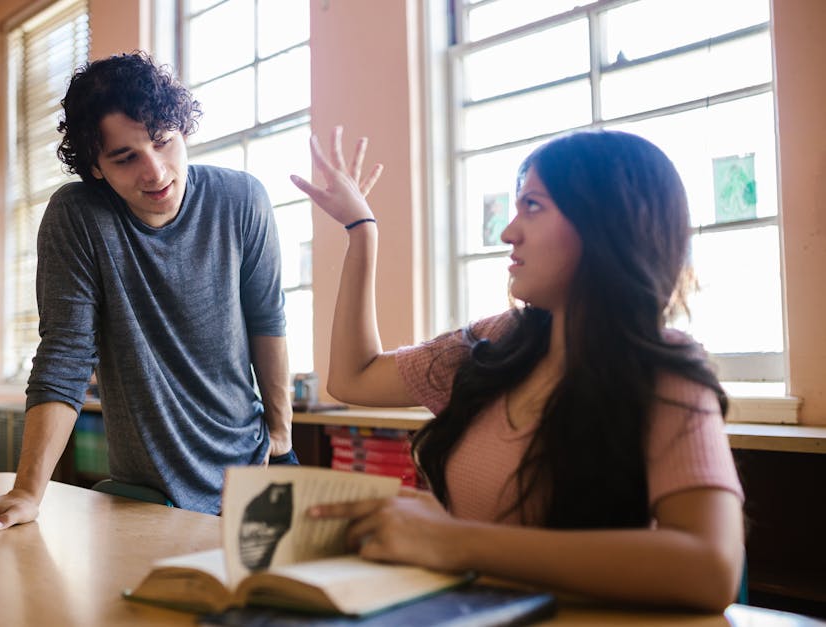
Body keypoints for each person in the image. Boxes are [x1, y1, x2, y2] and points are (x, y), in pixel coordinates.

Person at [290, 127, 744, 611]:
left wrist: (454, 541)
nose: (509, 232)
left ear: (604, 222)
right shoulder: (499, 341)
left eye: (532, 206)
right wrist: (362, 231)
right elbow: (353, 377)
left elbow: (711, 568)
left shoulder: (663, 369)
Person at [0, 52, 294, 530]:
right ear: (95, 167)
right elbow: (66, 353)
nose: (155, 172)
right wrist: (28, 491)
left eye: (163, 143)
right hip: (151, 494)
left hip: (256, 469)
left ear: (182, 130)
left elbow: (267, 319)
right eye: (126, 157)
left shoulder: (242, 199)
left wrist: (280, 432)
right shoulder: (77, 217)